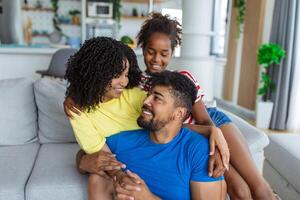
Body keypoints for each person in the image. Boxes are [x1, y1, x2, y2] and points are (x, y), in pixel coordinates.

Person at [66, 13, 276, 200]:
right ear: (143, 49)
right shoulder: (137, 85)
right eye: (151, 51)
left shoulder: (180, 79)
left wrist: (214, 132)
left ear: (172, 53)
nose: (156, 59)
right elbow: (160, 125)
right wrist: (73, 97)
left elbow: (199, 120)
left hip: (207, 122)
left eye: (164, 53)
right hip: (181, 129)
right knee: (239, 190)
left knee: (256, 188)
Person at [65, 37, 227, 200]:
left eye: (126, 74)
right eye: (117, 75)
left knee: (231, 178)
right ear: (97, 74)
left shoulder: (135, 99)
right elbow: (99, 159)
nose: (125, 81)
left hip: (202, 119)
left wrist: (212, 131)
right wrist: (84, 162)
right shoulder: (105, 133)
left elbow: (170, 124)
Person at [108, 71, 227, 200]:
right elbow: (90, 152)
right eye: (148, 95)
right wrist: (84, 161)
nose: (146, 101)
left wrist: (148, 198)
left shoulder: (197, 150)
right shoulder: (122, 140)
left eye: (157, 98)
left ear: (179, 114)